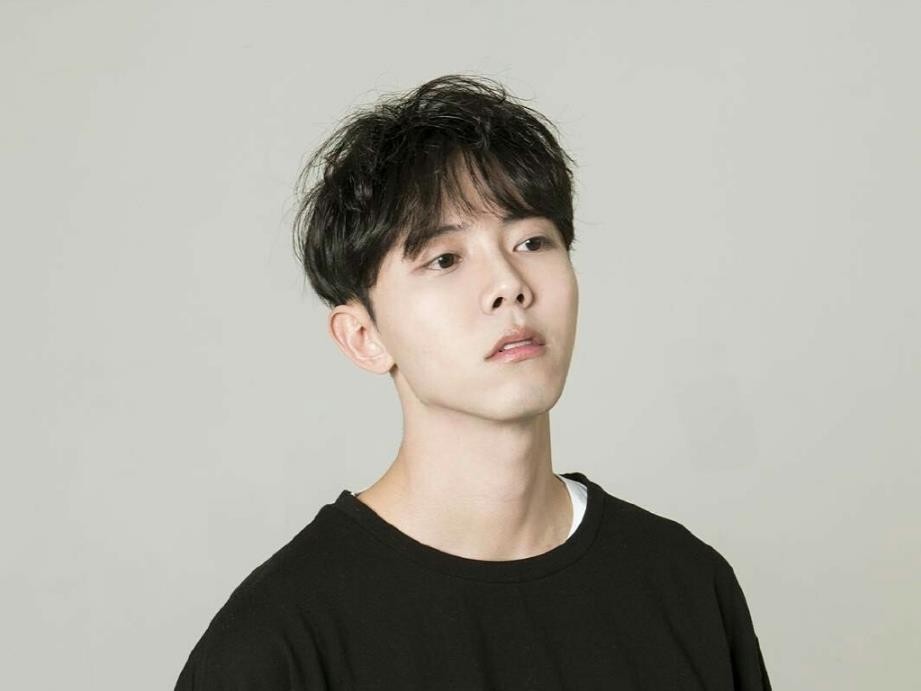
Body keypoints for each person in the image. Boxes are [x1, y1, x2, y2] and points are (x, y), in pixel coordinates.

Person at [174, 74, 772, 690]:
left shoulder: (686, 584)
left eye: (532, 241)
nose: (510, 284)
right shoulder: (277, 646)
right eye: (445, 259)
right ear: (364, 337)